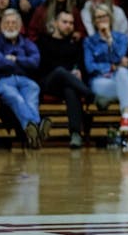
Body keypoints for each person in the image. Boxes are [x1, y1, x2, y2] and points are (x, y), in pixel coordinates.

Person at [83, 3, 128, 150]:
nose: (101, 20)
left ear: (109, 18)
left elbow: (120, 56)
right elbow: (90, 67)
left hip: (119, 79)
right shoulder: (89, 41)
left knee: (124, 74)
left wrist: (110, 39)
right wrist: (112, 66)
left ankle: (127, 120)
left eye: (103, 17)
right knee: (126, 85)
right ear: (94, 21)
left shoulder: (121, 38)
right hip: (100, 82)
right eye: (97, 18)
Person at [0, 8, 49, 148]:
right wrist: (22, 61)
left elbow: (35, 62)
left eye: (14, 23)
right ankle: (35, 127)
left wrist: (14, 59)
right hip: (4, 80)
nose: (10, 26)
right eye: (7, 23)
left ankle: (33, 133)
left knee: (33, 94)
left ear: (20, 26)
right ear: (1, 25)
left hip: (26, 80)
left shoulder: (27, 43)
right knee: (17, 98)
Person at [36, 9, 94, 149]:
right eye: (64, 22)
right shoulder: (43, 41)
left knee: (70, 90)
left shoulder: (74, 44)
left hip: (67, 84)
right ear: (55, 23)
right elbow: (42, 67)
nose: (68, 25)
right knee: (60, 71)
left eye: (71, 23)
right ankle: (88, 93)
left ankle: (75, 134)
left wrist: (79, 72)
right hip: (47, 82)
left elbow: (80, 65)